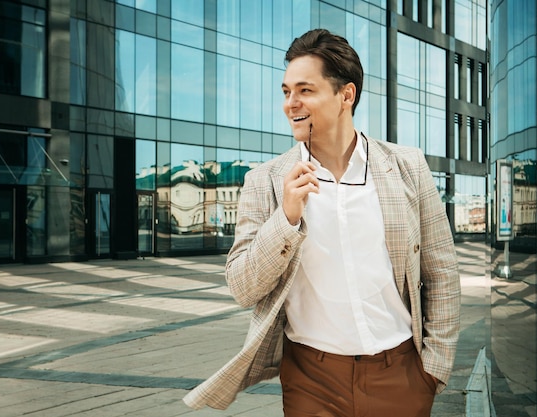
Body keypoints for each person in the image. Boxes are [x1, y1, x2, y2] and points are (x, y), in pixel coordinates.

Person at [183, 28, 460, 417]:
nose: (290, 104)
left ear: (346, 95)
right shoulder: (264, 181)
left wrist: (433, 370)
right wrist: (287, 218)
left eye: (305, 90)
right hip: (310, 381)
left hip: (400, 376)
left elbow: (441, 270)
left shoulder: (406, 167)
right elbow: (242, 287)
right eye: (285, 92)